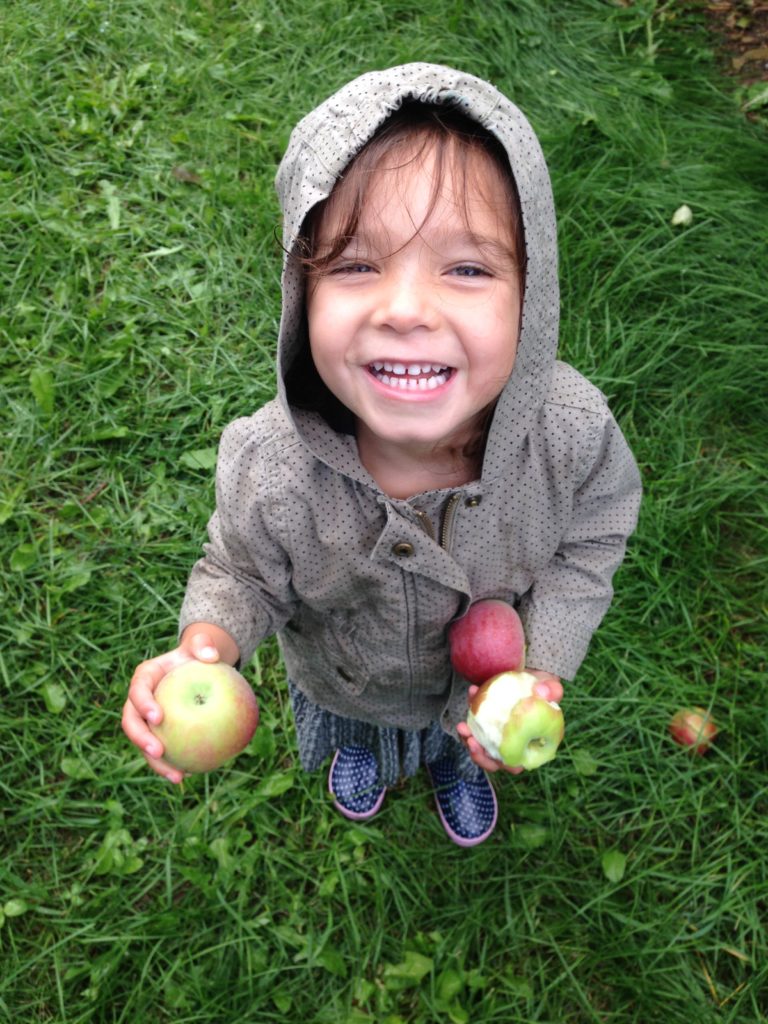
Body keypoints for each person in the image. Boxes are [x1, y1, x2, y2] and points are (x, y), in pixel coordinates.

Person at [122, 63, 642, 847]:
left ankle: (457, 765)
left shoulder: (570, 436)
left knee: (467, 736)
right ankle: (360, 753)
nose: (405, 310)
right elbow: (241, 573)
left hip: (483, 691)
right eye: (357, 266)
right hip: (347, 679)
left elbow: (593, 539)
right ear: (303, 296)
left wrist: (545, 661)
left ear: (532, 296)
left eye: (467, 269)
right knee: (353, 725)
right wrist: (205, 646)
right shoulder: (275, 465)